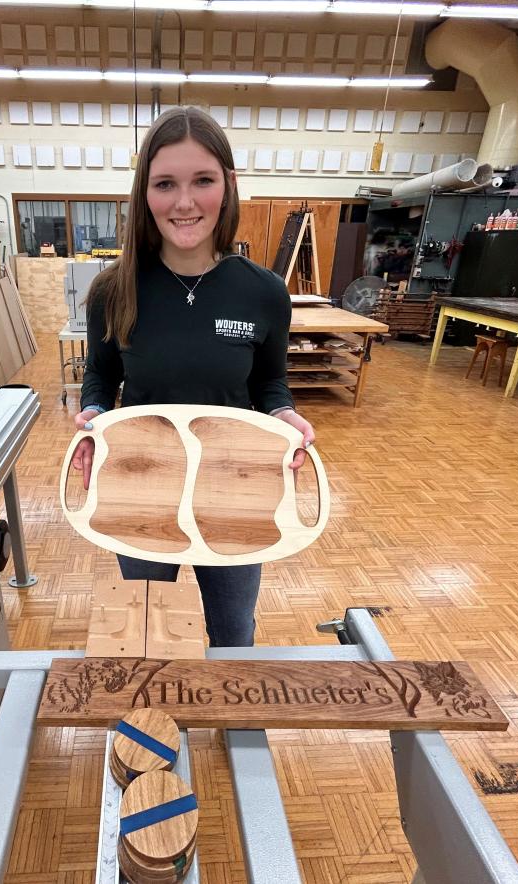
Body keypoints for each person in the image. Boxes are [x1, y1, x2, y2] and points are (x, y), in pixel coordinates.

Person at [70, 106, 315, 648]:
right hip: (140, 484)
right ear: (145, 193)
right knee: (148, 629)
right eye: (165, 184)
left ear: (227, 186)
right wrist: (92, 415)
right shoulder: (115, 289)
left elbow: (270, 384)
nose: (184, 202)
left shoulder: (264, 292)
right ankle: (151, 731)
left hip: (235, 489)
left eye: (202, 180)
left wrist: (283, 414)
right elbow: (101, 376)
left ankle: (232, 726)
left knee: (232, 632)